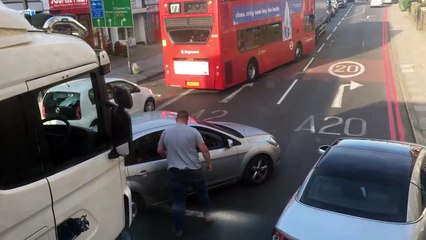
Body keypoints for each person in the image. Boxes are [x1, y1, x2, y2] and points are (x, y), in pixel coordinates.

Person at [157, 110, 213, 237]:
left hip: (175, 173)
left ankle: (178, 229)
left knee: (178, 201)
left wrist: (167, 155)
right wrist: (209, 164)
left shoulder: (166, 132)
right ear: (187, 120)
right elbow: (204, 150)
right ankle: (208, 215)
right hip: (194, 170)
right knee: (202, 192)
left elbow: (159, 150)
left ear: (176, 119)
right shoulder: (193, 132)